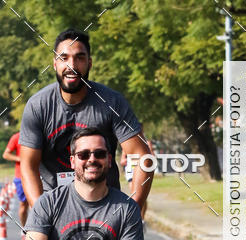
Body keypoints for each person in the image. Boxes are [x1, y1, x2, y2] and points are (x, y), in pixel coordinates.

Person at [19, 28, 153, 210]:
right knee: (33, 239)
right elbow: (28, 165)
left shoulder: (112, 102)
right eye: (64, 58)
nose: (71, 65)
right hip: (54, 208)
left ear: (89, 63)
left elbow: (142, 157)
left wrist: (133, 210)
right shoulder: (38, 105)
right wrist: (40, 214)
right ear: (54, 64)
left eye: (79, 58)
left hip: (106, 210)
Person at [120, 137, 155, 223]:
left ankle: (142, 218)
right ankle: (137, 218)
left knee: (142, 195)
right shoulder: (127, 141)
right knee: (134, 193)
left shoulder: (147, 142)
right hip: (131, 170)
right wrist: (125, 160)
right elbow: (122, 160)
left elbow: (152, 156)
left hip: (142, 169)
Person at [2, 131, 28, 235]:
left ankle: (36, 230)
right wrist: (20, 159)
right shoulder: (17, 137)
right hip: (21, 176)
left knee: (37, 205)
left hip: (39, 174)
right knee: (23, 205)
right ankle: (24, 228)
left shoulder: (39, 134)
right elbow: (6, 154)